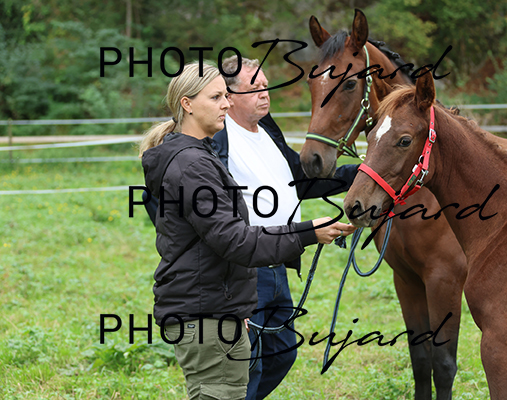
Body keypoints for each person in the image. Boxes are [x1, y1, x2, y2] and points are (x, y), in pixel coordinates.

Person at [139, 62, 356, 400]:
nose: (225, 103)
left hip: (228, 288)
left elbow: (295, 182)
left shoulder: (206, 152)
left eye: (225, 96)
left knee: (270, 360)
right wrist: (306, 233)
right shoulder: (195, 161)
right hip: (219, 291)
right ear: (187, 104)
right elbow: (231, 238)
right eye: (217, 97)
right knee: (232, 381)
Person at [212, 56, 359, 400]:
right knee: (248, 362)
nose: (265, 94)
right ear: (228, 96)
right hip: (245, 266)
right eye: (254, 89)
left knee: (282, 353)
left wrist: (358, 174)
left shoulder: (267, 131)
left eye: (266, 86)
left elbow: (301, 179)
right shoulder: (218, 139)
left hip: (278, 263)